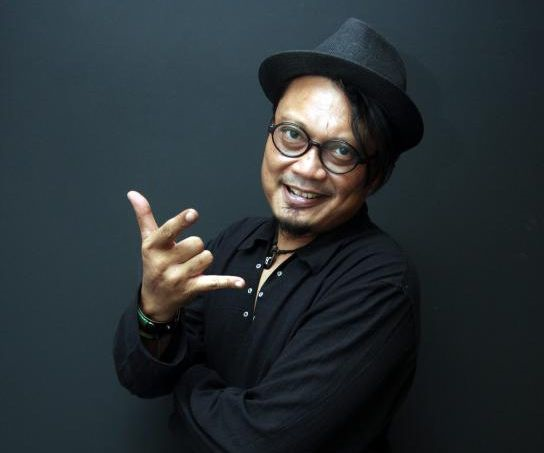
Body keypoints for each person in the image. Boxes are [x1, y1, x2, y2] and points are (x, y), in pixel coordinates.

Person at [114, 18, 424, 453]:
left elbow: (258, 443)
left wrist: (186, 382)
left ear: (375, 176)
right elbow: (141, 377)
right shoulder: (236, 242)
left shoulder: (379, 283)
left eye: (341, 150)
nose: (307, 168)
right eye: (293, 135)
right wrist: (156, 311)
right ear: (270, 133)